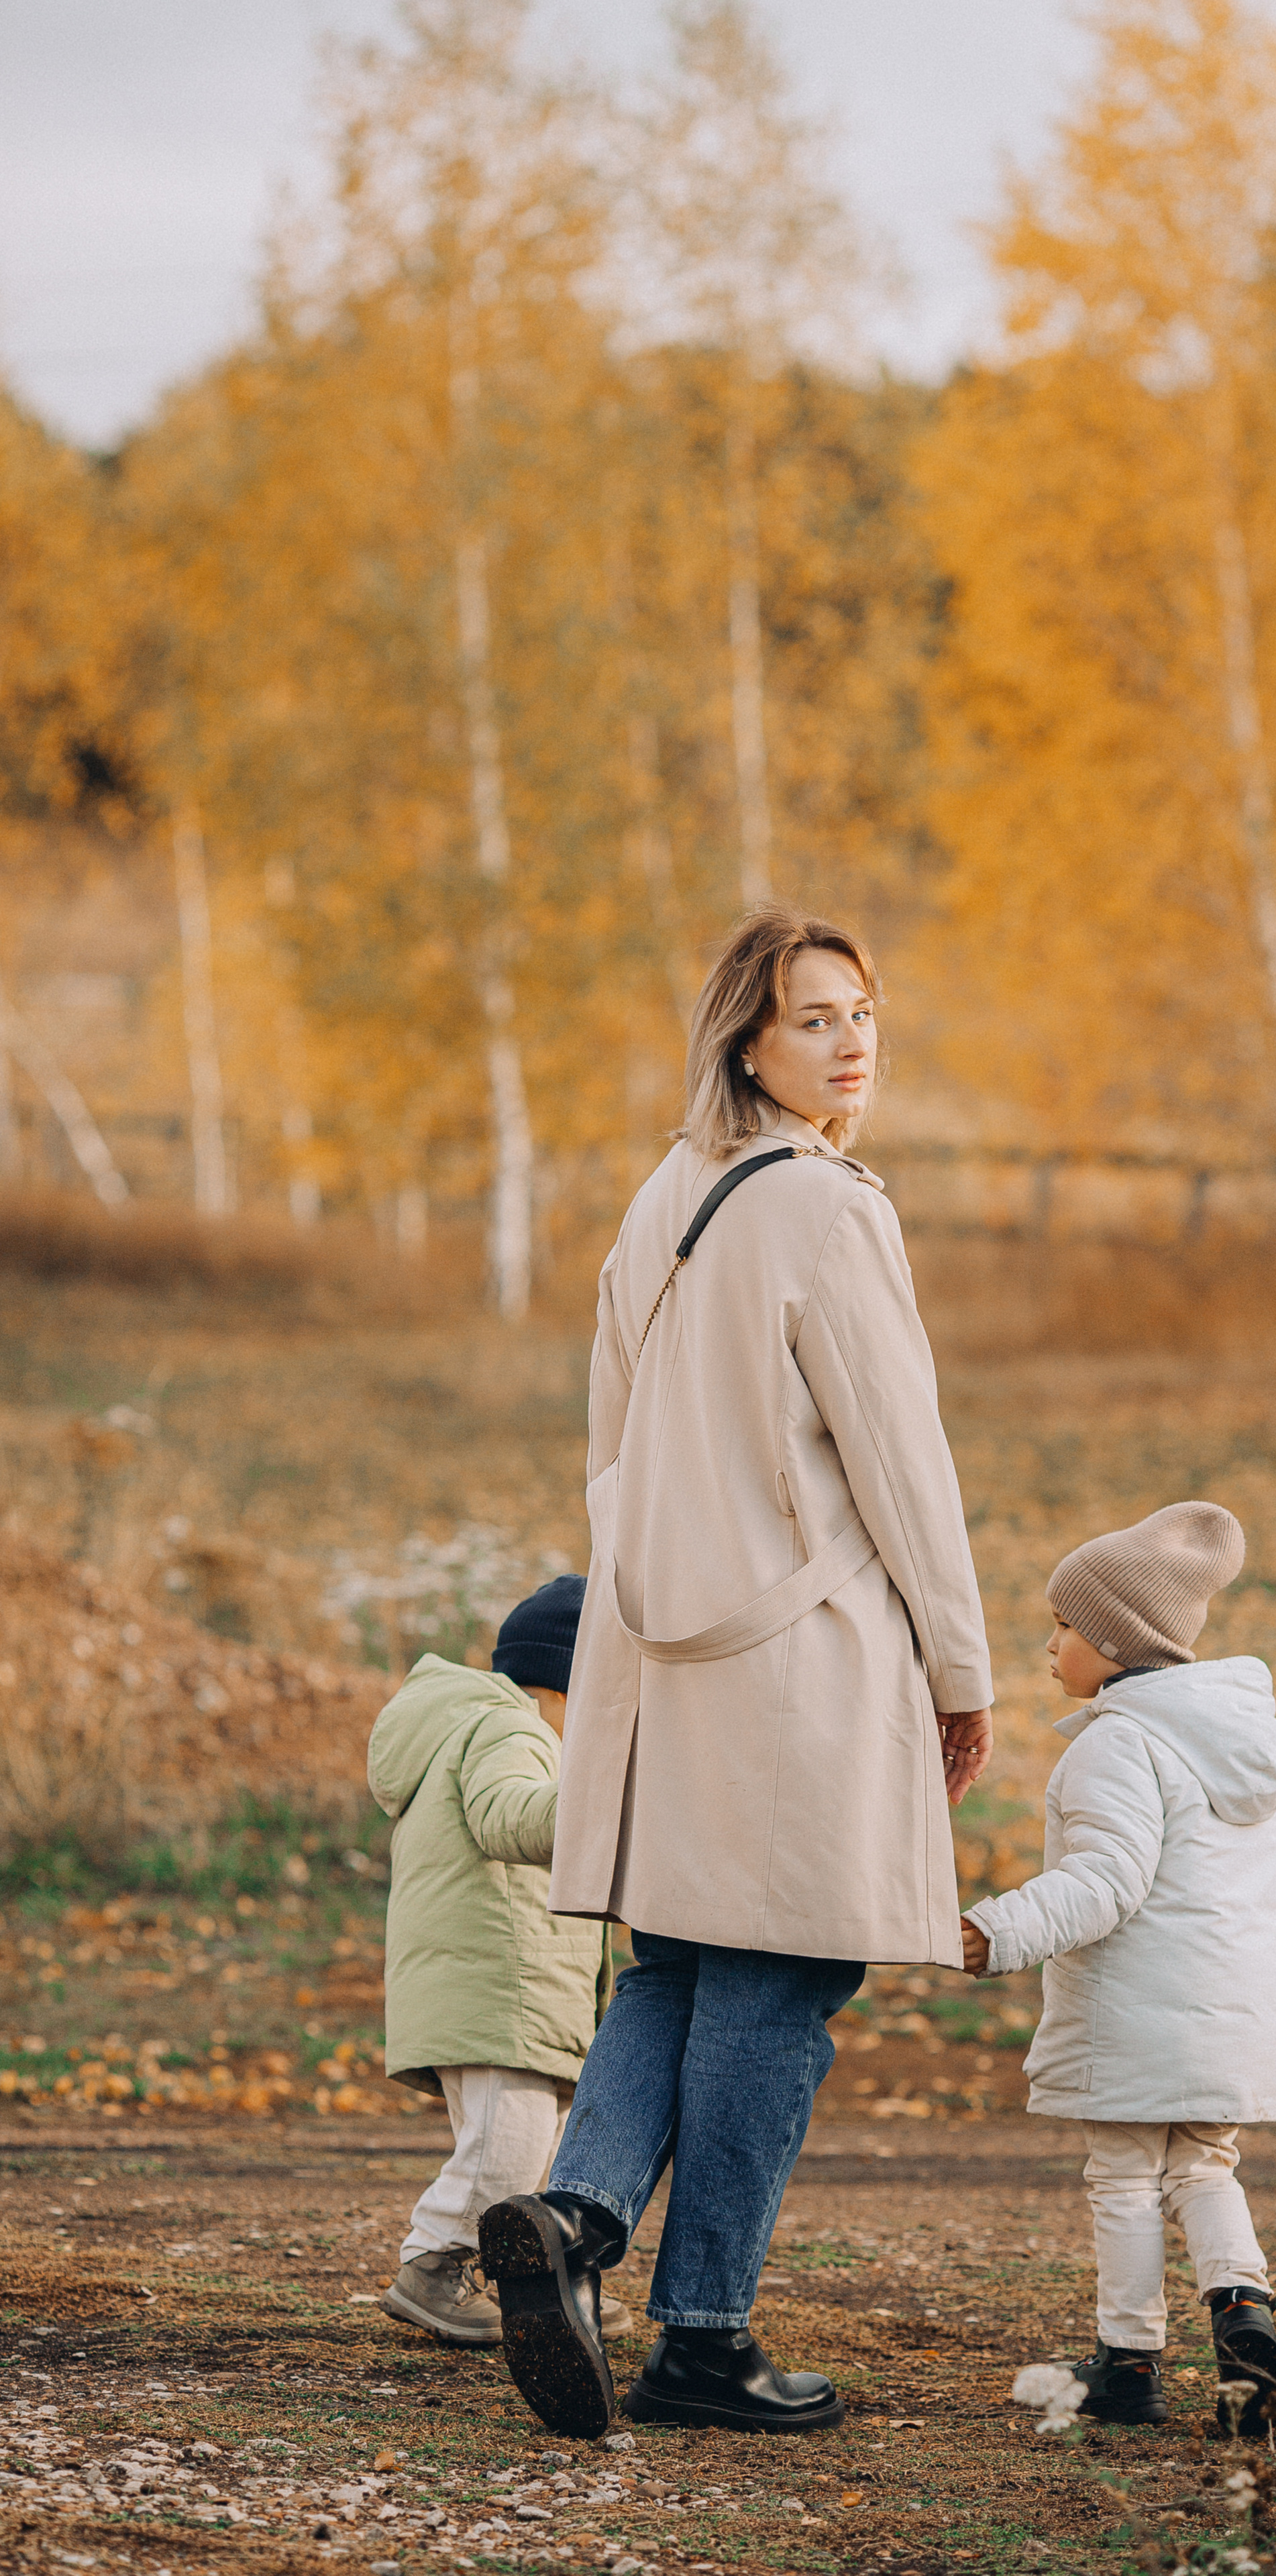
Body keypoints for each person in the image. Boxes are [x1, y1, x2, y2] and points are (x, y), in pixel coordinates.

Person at [479, 905, 993, 2438]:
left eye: (861, 1012)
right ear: (747, 1045)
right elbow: (901, 1461)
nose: (850, 1043)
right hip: (797, 1661)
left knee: (681, 1962)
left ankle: (573, 2217)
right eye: (813, 1019)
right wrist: (958, 1665)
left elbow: (610, 1455)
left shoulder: (660, 1198)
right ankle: (700, 2336)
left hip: (660, 1657)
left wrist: (653, 1595)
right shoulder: (826, 1207)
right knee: (781, 1979)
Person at [960, 1502, 1276, 2438]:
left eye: (1064, 1626)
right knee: (1205, 2165)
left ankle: (1130, 2362)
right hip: (1230, 2011)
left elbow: (1106, 1882)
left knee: (1121, 2175)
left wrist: (996, 1931)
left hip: (1138, 2011)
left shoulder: (1118, 1741)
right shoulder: (1232, 1740)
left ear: (1115, 1641)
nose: (1049, 1645)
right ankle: (1242, 2309)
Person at [367, 1576, 617, 2346]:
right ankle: (434, 2265)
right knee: (506, 2146)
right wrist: (605, 1803)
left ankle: (532, 2287)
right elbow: (507, 1816)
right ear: (572, 1685)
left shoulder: (476, 1726)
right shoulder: (511, 1728)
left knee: (526, 2141)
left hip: (499, 1982)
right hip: (497, 1982)